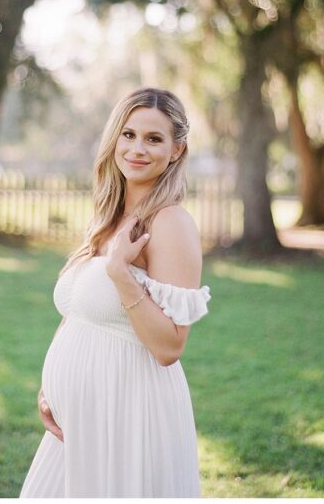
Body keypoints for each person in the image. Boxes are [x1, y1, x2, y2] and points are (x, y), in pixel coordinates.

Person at [20, 87, 211, 497]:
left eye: (154, 139)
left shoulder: (171, 224)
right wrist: (50, 389)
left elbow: (169, 347)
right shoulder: (109, 216)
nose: (137, 148)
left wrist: (121, 274)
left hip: (129, 411)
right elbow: (78, 313)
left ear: (176, 151)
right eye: (129, 134)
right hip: (78, 420)